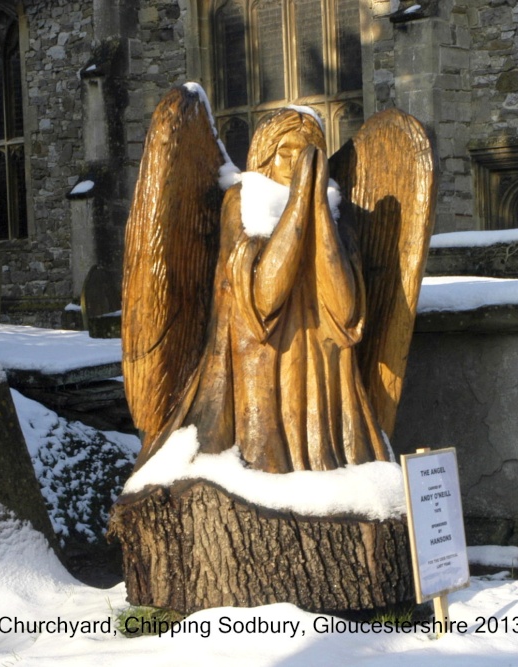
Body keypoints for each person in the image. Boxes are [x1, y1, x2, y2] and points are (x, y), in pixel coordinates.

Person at [133, 108, 391, 473]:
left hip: (325, 384)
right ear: (266, 156)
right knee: (263, 470)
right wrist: (300, 201)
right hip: (260, 376)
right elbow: (264, 298)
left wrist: (318, 207)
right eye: (285, 152)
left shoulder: (336, 213)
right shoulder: (244, 202)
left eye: (306, 154)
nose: (295, 163)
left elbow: (346, 310)